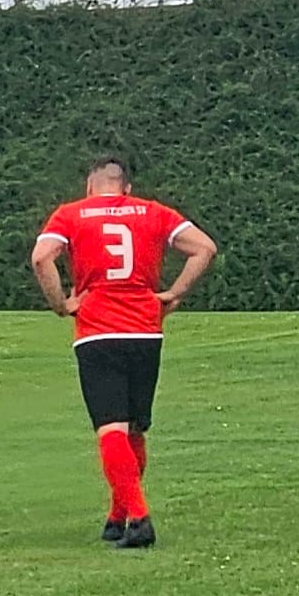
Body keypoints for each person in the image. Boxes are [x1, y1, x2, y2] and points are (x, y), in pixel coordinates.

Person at [30, 156, 218, 549]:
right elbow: (204, 249)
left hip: (99, 332)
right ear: (127, 188)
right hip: (145, 332)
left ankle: (140, 518)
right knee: (134, 428)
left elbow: (41, 257)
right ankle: (118, 517)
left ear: (89, 187)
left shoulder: (71, 214)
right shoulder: (154, 212)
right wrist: (174, 293)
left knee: (110, 428)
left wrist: (61, 304)